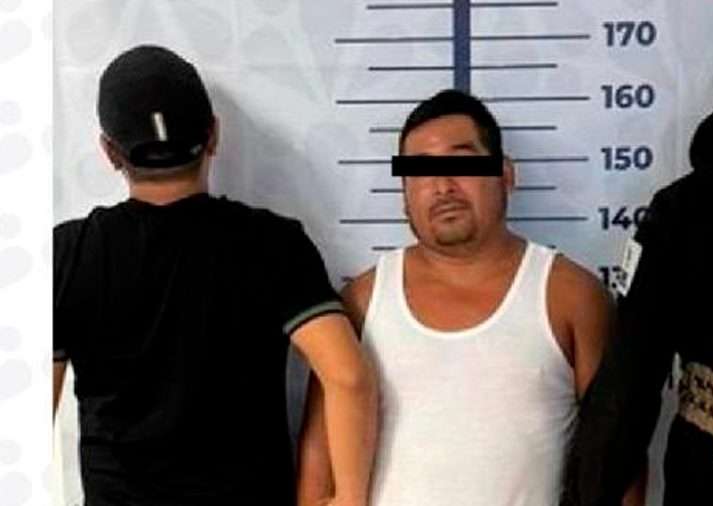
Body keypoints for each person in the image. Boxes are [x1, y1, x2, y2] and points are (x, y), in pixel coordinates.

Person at [52, 45, 377, 506]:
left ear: (110, 152)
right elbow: (348, 377)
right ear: (213, 136)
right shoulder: (273, 243)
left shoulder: (67, 254)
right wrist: (348, 499)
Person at [298, 89, 642, 505]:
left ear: (506, 174)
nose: (443, 186)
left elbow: (618, 453)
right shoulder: (362, 301)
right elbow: (319, 461)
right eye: (421, 172)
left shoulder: (572, 297)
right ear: (404, 196)